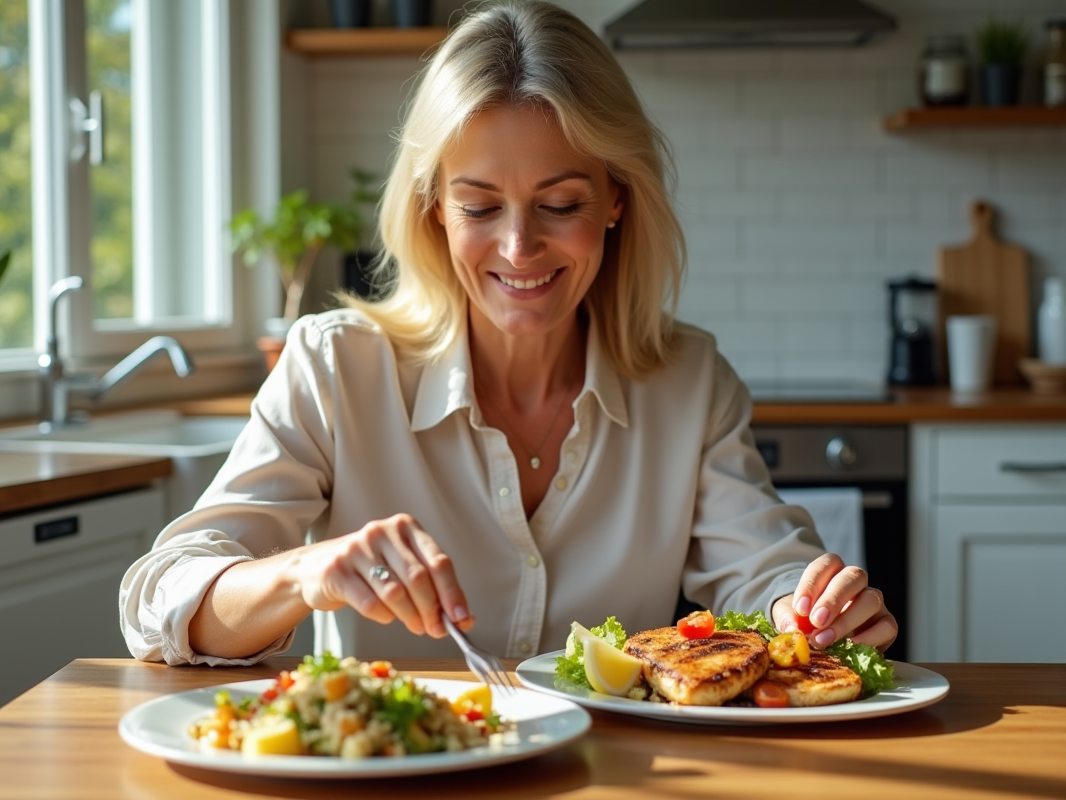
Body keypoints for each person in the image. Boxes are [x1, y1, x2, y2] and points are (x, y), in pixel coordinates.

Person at [119, 0, 897, 667]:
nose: (519, 249)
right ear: (434, 209)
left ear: (616, 200)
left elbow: (764, 576)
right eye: (480, 207)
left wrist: (816, 611)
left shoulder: (688, 382)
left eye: (559, 204)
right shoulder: (335, 368)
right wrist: (305, 573)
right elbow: (162, 599)